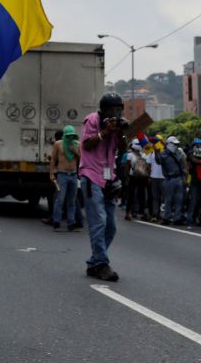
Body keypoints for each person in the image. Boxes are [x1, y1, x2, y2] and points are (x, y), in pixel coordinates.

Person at [79, 92, 128, 282]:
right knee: (98, 221)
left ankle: (94, 262)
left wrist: (122, 133)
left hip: (109, 177)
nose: (115, 113)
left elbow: (122, 150)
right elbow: (87, 145)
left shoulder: (118, 125)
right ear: (104, 110)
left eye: (118, 110)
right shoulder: (92, 120)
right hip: (91, 174)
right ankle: (101, 264)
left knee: (111, 226)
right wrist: (105, 132)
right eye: (112, 110)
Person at [49, 125, 81, 231]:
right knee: (60, 199)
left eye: (72, 136)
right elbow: (53, 159)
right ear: (64, 135)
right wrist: (51, 174)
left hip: (73, 175)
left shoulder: (77, 144)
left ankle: (71, 223)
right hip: (62, 174)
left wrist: (74, 151)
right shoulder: (58, 144)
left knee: (71, 200)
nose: (70, 138)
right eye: (68, 136)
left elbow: (81, 159)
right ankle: (56, 221)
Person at [158, 136, 187, 225]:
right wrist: (156, 152)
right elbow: (158, 161)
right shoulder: (163, 154)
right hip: (169, 179)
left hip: (178, 178)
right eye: (175, 144)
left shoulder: (178, 154)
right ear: (169, 144)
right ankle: (167, 217)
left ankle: (177, 218)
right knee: (168, 199)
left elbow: (182, 167)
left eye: (177, 144)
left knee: (179, 200)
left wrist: (184, 179)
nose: (176, 146)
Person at [147, 137, 164, 223]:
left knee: (162, 197)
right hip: (154, 177)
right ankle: (155, 214)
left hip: (163, 178)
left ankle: (159, 214)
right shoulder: (151, 152)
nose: (154, 144)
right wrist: (149, 176)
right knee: (155, 197)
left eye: (156, 142)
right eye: (153, 142)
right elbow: (149, 166)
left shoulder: (164, 152)